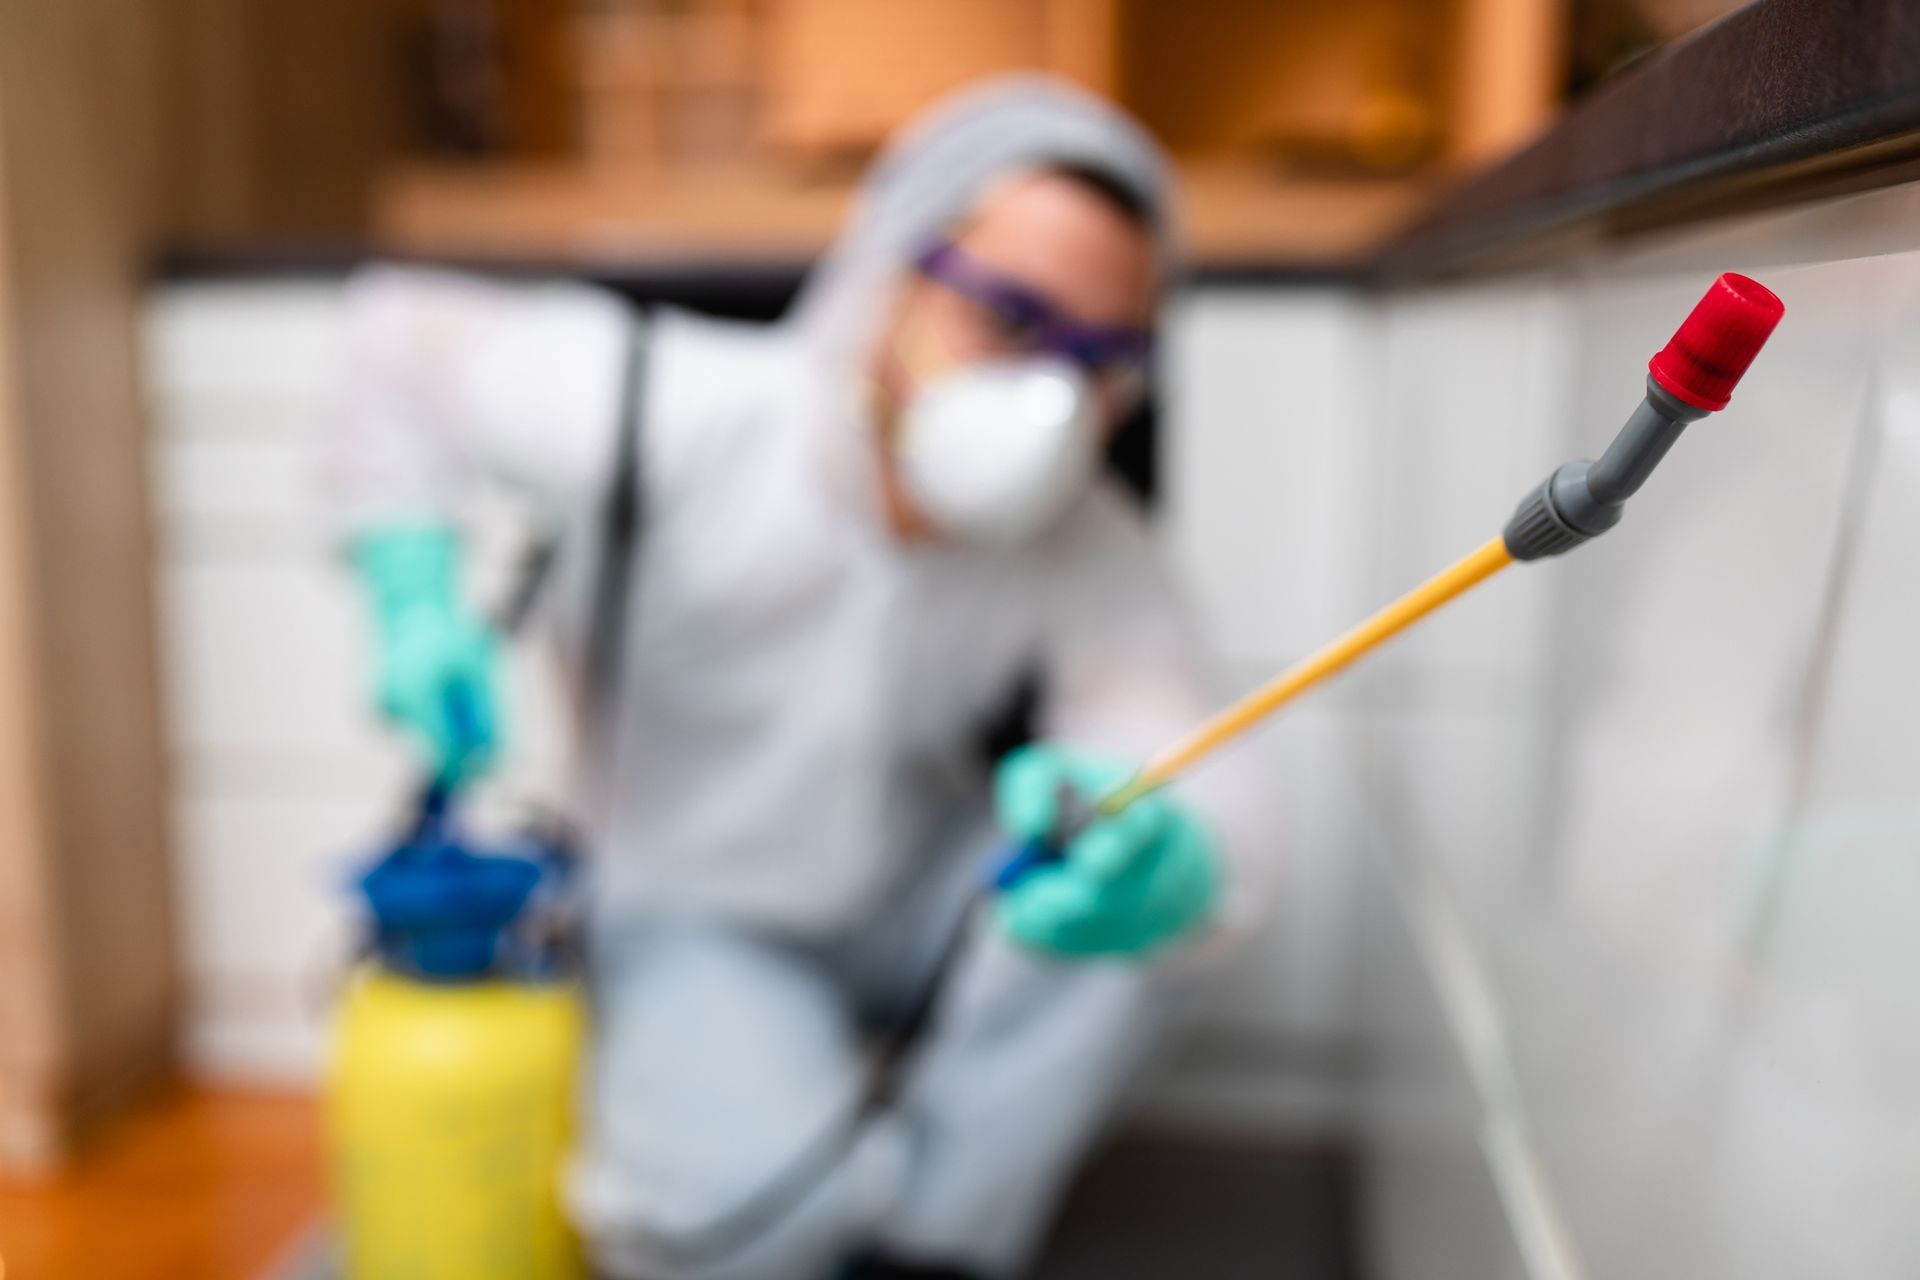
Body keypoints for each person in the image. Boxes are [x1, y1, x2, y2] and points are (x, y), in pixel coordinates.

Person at [329, 75, 1268, 1280]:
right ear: (894, 263)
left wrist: (1169, 855)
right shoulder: (676, 410)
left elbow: (1201, 764)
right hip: (693, 910)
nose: (1055, 396)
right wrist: (411, 591)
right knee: (759, 1220)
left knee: (1132, 905)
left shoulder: (1090, 546)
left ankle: (940, 1238)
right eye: (1015, 320)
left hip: (909, 895)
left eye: (1102, 355)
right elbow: (394, 340)